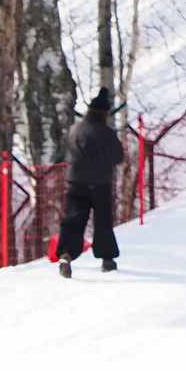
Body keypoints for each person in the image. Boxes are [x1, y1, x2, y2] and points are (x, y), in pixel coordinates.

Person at [56, 90, 124, 277]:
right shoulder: (107, 133)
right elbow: (118, 157)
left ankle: (65, 255)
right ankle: (107, 258)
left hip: (76, 182)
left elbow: (68, 150)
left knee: (73, 219)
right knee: (102, 221)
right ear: (104, 113)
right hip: (100, 183)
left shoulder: (75, 129)